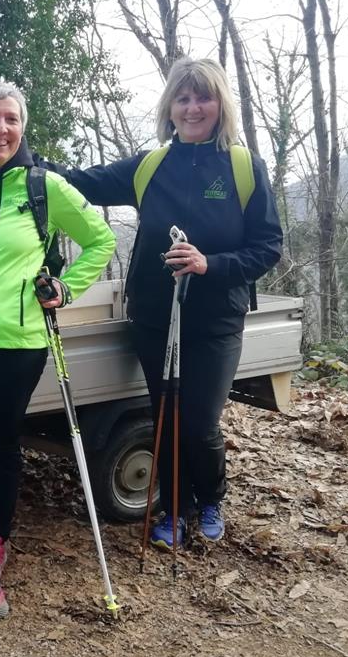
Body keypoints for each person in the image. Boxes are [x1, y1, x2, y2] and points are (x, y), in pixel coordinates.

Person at [40, 57, 283, 550]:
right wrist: (25, 160)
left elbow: (268, 246)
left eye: (203, 98)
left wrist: (209, 264)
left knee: (200, 422)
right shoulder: (150, 167)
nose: (192, 108)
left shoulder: (243, 168)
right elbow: (79, 182)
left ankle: (209, 500)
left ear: (220, 105)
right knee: (166, 416)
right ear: (169, 107)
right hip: (153, 316)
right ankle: (174, 507)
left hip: (216, 319)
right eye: (182, 98)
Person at [0, 82, 115, 637]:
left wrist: (65, 287)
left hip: (15, 344)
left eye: (10, 119)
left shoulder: (43, 187)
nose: (1, 128)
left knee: (4, 445)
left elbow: (101, 241)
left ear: (21, 128)